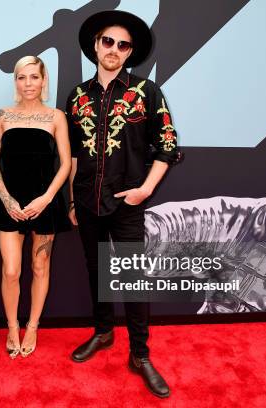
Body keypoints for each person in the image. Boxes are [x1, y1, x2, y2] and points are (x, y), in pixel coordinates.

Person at [66, 11, 182, 398]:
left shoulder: (147, 92)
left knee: (133, 278)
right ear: (96, 46)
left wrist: (144, 190)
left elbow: (167, 147)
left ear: (131, 52)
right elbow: (73, 155)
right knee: (96, 271)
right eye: (108, 42)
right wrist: (71, 199)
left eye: (123, 44)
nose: (114, 49)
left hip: (129, 201)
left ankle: (140, 354)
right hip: (85, 200)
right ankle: (102, 332)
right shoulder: (77, 96)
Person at [0, 56, 71, 358]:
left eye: (34, 77)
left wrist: (46, 198)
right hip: (8, 204)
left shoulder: (56, 116)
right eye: (22, 78)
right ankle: (12, 326)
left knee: (39, 266)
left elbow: (65, 164)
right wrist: (7, 198)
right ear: (15, 82)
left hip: (44, 203)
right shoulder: (2, 116)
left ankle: (32, 325)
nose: (28, 84)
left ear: (44, 80)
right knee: (11, 271)